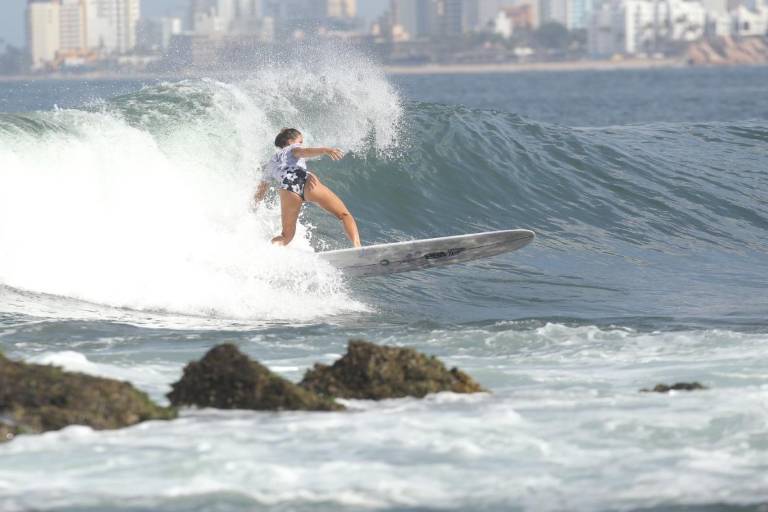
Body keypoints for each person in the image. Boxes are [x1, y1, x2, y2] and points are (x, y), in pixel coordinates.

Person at [254, 128, 362, 248]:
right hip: (303, 180)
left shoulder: (271, 163)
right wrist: (325, 150)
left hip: (286, 188)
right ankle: (358, 247)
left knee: (286, 237)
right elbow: (302, 152)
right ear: (290, 141)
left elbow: (261, 189)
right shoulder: (292, 148)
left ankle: (266, 250)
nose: (301, 144)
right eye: (300, 141)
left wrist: (253, 208)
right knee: (344, 214)